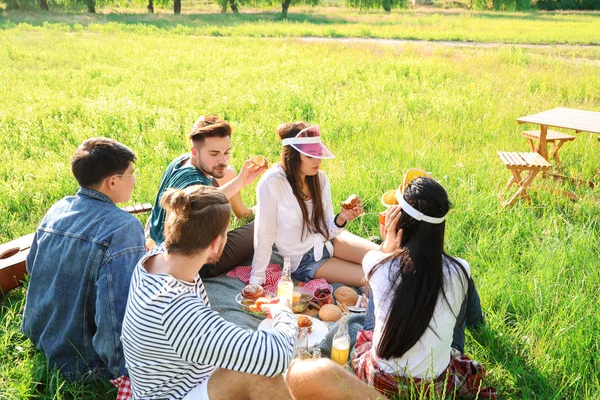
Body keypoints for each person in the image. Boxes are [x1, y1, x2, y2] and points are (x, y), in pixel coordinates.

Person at [122, 184, 384, 400]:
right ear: (216, 243)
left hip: (192, 376)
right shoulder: (177, 310)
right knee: (261, 374)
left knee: (321, 371)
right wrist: (282, 312)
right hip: (176, 393)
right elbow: (275, 357)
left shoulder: (157, 258)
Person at [352, 170, 495, 399]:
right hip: (435, 387)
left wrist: (387, 246)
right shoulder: (460, 270)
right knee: (459, 292)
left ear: (398, 223)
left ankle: (477, 322)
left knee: (379, 297)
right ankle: (478, 323)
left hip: (381, 380)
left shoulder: (376, 264)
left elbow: (387, 264)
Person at [21, 138, 146, 381]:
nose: (134, 180)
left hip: (40, 336)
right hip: (82, 363)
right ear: (112, 181)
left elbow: (31, 266)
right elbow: (115, 310)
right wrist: (121, 370)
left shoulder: (59, 207)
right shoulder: (124, 228)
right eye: (131, 174)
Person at [249, 122, 379, 287]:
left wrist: (341, 218)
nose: (317, 161)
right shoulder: (273, 182)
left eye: (318, 153)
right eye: (310, 156)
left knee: (386, 258)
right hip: (304, 260)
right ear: (293, 155)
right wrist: (256, 280)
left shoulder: (320, 179)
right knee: (375, 277)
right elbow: (264, 234)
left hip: (330, 241)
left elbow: (328, 228)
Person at [148, 115, 265, 278]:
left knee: (228, 171)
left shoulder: (182, 161)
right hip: (198, 259)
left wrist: (240, 180)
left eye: (227, 152)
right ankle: (252, 217)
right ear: (195, 151)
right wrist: (241, 181)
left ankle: (244, 212)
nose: (222, 160)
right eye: (214, 153)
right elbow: (204, 205)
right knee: (264, 225)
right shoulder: (193, 182)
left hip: (159, 242)